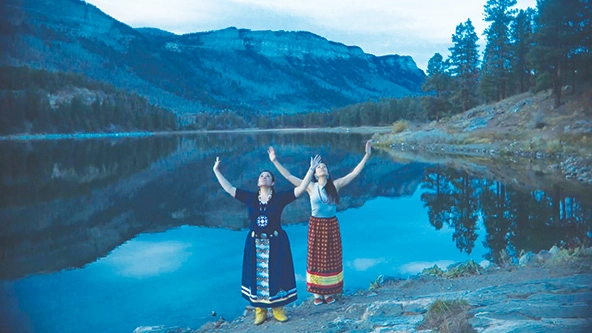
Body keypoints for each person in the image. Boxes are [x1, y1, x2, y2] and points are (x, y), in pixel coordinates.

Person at [212, 153, 321, 325]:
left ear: (272, 183)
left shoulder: (279, 198)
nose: (264, 178)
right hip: (255, 244)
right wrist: (216, 171)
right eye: (261, 176)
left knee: (277, 274)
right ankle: (260, 310)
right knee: (255, 276)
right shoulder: (250, 198)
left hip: (276, 242)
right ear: (258, 182)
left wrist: (311, 170)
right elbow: (229, 188)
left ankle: (278, 309)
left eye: (267, 176)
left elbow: (300, 190)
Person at [268, 140, 372, 305]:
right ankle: (317, 293)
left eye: (324, 166)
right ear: (315, 174)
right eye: (319, 167)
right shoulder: (310, 186)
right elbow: (289, 176)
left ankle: (329, 291)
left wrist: (366, 155)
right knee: (316, 258)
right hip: (316, 225)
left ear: (328, 173)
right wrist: (274, 160)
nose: (321, 168)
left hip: (331, 225)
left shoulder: (335, 186)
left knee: (331, 257)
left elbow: (353, 174)